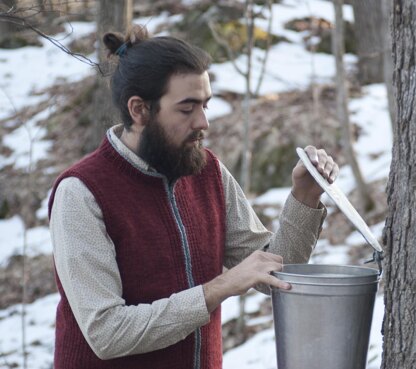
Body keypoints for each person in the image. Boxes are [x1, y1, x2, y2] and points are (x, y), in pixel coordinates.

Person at [48, 25, 339, 369]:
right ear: (139, 110)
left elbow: (276, 274)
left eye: (205, 105)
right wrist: (218, 288)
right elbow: (107, 333)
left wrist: (304, 197)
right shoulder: (82, 192)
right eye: (187, 109)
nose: (204, 121)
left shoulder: (207, 170)